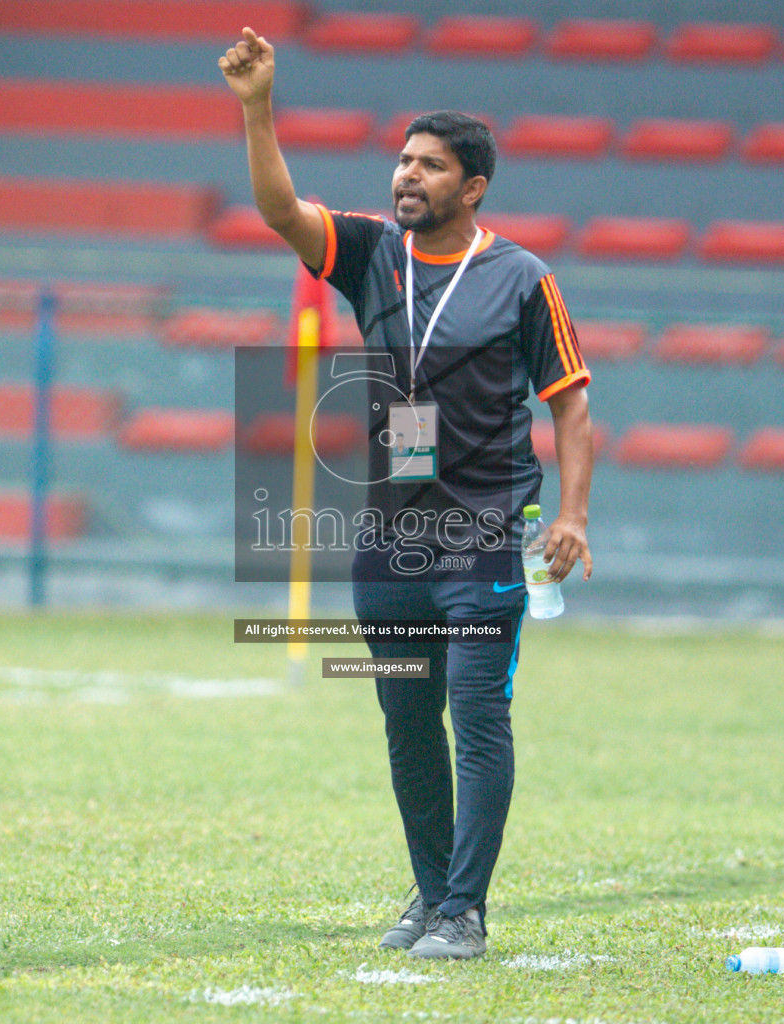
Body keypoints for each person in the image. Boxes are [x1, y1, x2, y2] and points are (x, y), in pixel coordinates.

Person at [220, 27, 594, 960]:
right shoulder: (371, 255)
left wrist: (576, 517)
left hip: (485, 540)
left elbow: (573, 405)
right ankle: (433, 897)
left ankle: (465, 909)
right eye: (402, 161)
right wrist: (257, 106)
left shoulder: (522, 280)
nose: (407, 177)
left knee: (475, 716)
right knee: (405, 724)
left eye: (430, 166)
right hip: (389, 543)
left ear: (473, 188)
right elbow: (278, 211)